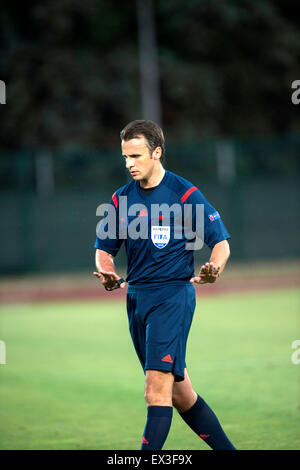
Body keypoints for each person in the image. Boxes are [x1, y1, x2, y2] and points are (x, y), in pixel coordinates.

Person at [93, 120, 236, 450]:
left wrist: (215, 267)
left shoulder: (184, 193)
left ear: (156, 153)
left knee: (155, 389)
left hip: (172, 297)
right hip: (137, 299)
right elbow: (103, 250)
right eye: (125, 156)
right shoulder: (121, 199)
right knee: (180, 393)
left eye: (136, 155)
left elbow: (221, 243)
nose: (129, 163)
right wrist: (108, 272)